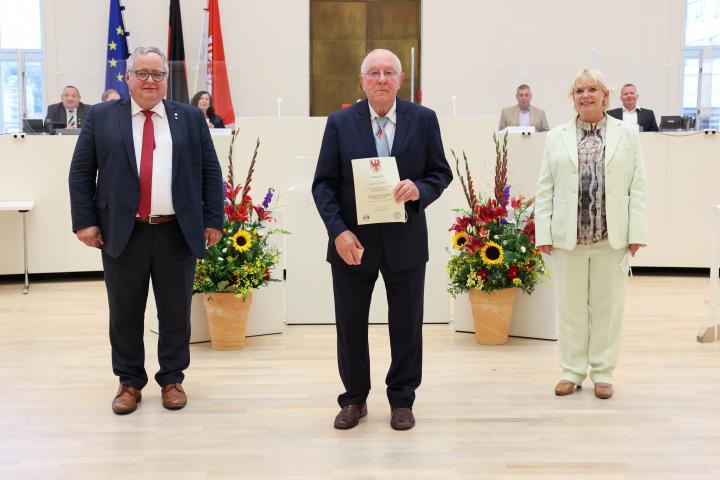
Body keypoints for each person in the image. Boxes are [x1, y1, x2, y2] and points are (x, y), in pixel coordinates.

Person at [68, 46, 224, 415]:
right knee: (124, 312)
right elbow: (80, 172)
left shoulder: (187, 117)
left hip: (176, 232)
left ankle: (172, 379)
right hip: (123, 233)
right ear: (128, 78)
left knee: (174, 312)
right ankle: (129, 382)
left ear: (166, 80)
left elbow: (210, 172)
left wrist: (213, 219)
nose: (150, 81)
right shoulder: (103, 117)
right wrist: (85, 221)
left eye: (157, 74)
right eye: (142, 73)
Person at [312, 49, 452, 431]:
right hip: (351, 243)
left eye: (389, 72)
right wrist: (338, 231)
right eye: (373, 73)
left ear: (401, 80)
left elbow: (441, 173)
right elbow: (323, 185)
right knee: (351, 324)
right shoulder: (340, 123)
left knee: (406, 324)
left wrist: (419, 188)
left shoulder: (424, 120)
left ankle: (402, 399)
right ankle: (354, 398)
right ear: (362, 81)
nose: (381, 79)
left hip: (405, 241)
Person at [534, 68, 647, 400]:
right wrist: (544, 231)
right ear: (574, 98)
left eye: (592, 90)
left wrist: (636, 231)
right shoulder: (556, 137)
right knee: (570, 308)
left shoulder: (627, 135)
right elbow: (545, 188)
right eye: (579, 90)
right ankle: (571, 370)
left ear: (605, 96)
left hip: (610, 237)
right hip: (568, 237)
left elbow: (637, 187)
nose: (585, 95)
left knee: (607, 308)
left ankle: (602, 372)